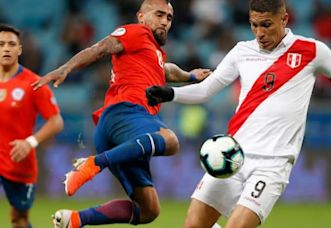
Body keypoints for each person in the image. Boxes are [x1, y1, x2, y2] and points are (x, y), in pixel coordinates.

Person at [146, 0, 331, 227]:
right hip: (232, 154)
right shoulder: (242, 51)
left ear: (284, 19)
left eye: (266, 25)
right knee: (193, 225)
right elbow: (207, 89)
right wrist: (171, 94)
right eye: (254, 25)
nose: (259, 33)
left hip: (273, 164)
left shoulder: (311, 50)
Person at [32, 0, 211, 227]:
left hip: (118, 132)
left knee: (148, 210)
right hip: (126, 113)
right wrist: (66, 67)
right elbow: (100, 48)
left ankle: (75, 220)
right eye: (159, 14)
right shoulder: (136, 33)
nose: (165, 21)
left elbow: (166, 71)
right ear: (141, 17)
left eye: (169, 18)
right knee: (171, 141)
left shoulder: (153, 54)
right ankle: (94, 163)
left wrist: (190, 76)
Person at [0, 24, 64, 228]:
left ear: (19, 50)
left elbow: (56, 121)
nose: (6, 49)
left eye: (11, 44)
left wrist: (30, 142)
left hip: (17, 162)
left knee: (18, 220)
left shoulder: (33, 84)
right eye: (1, 44)